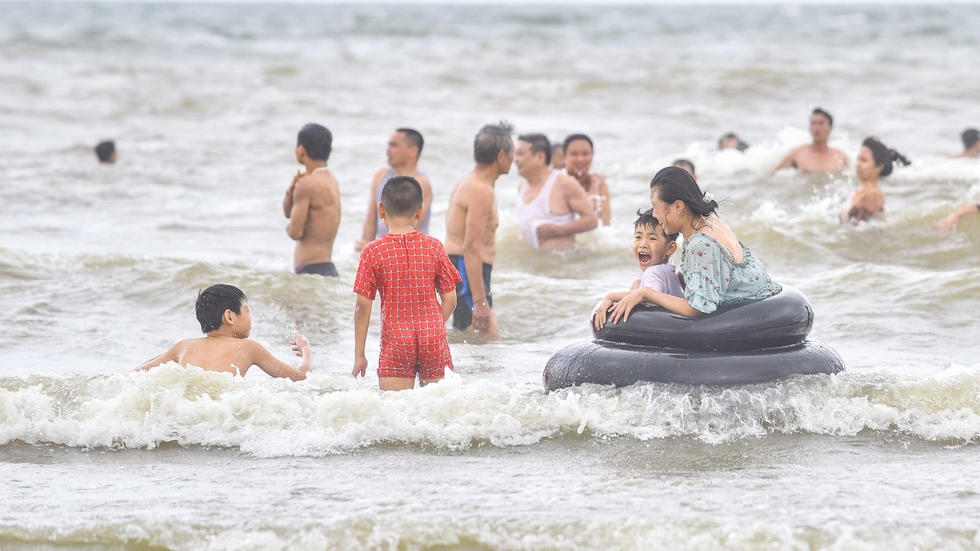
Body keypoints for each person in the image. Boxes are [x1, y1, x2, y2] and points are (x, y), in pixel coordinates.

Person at [607, 167, 781, 322]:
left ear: (678, 207)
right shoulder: (707, 221)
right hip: (762, 299)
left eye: (656, 207)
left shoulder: (701, 243)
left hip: (756, 315)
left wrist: (646, 293)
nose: (655, 215)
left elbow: (697, 308)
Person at [352, 177, 461, 391]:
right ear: (420, 212)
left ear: (380, 210)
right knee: (437, 409)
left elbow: (362, 308)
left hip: (396, 339)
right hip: (433, 336)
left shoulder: (372, 252)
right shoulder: (435, 247)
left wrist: (360, 355)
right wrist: (435, 326)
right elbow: (450, 300)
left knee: (397, 410)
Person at [135, 284, 311, 381]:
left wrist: (171, 353)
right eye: (247, 311)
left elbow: (138, 372)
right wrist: (306, 351)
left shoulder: (184, 346)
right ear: (230, 316)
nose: (250, 317)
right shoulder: (249, 347)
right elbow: (300, 378)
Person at [444, 122, 514, 338]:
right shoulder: (481, 190)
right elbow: (471, 247)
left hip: (463, 268)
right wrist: (480, 302)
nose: (515, 159)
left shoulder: (470, 181)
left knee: (472, 341)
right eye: (513, 152)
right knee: (485, 340)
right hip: (466, 269)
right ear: (501, 156)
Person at [593, 209, 683, 331]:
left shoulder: (654, 272)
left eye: (652, 239)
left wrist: (611, 296)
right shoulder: (668, 272)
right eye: (638, 237)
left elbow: (649, 294)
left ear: (670, 248)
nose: (643, 244)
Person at [514, 134, 598, 250]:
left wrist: (558, 230)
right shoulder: (522, 186)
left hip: (564, 263)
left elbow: (592, 220)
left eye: (520, 154)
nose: (515, 160)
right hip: (533, 265)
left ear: (540, 158)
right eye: (515, 154)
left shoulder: (563, 183)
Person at [355, 129, 434, 251]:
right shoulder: (380, 176)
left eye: (394, 145)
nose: (388, 150)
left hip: (411, 252)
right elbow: (371, 220)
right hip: (383, 251)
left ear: (413, 151)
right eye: (388, 145)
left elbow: (413, 227)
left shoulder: (421, 182)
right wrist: (366, 246)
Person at [283, 123, 341, 277]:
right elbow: (288, 212)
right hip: (327, 268)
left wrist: (287, 228)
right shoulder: (331, 180)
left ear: (301, 150)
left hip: (309, 270)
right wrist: (291, 190)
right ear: (330, 150)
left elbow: (295, 232)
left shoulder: (307, 184)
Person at [840, 137, 911, 223]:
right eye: (858, 159)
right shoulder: (861, 189)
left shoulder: (873, 193)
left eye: (864, 160)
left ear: (879, 167)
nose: (858, 164)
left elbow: (855, 226)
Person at [773, 108, 849, 174]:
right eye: (813, 123)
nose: (816, 127)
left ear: (831, 128)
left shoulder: (840, 157)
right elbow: (773, 177)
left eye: (821, 123)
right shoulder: (797, 154)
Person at [563, 134, 611, 226]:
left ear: (592, 156)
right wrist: (593, 187)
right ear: (564, 158)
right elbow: (586, 218)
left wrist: (595, 184)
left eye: (585, 154)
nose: (580, 159)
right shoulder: (559, 183)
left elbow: (605, 224)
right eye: (574, 154)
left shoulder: (600, 184)